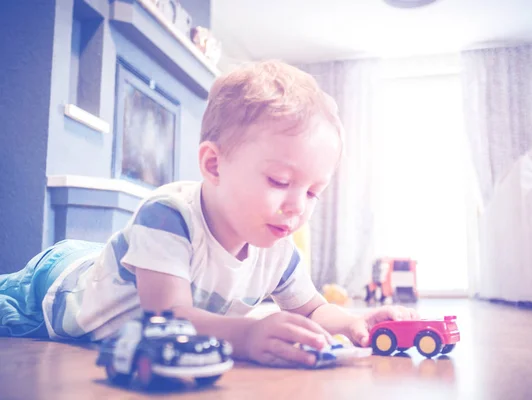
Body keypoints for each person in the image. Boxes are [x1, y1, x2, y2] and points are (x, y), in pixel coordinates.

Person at [0, 60, 417, 367]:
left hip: (112, 265)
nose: (297, 206)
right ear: (214, 165)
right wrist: (248, 334)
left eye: (313, 192)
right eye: (279, 181)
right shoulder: (167, 216)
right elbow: (166, 319)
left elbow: (311, 308)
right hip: (57, 288)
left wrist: (355, 322)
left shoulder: (278, 247)